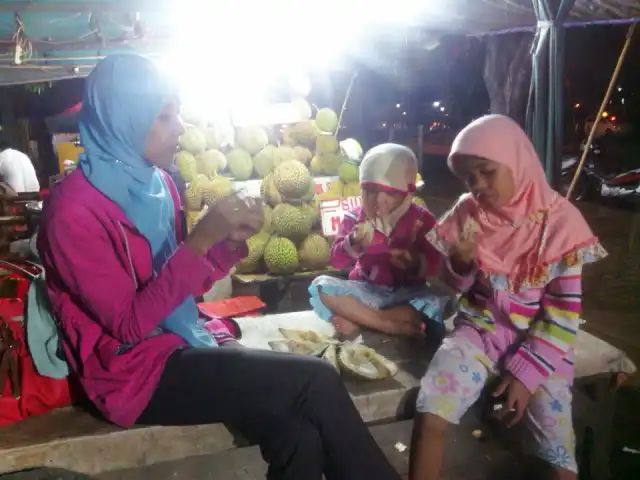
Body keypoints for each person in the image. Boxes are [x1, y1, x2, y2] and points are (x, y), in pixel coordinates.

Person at [36, 54, 401, 480]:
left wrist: (227, 244)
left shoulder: (160, 184)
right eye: (165, 116)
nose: (180, 128)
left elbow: (182, 293)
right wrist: (201, 239)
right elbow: (129, 324)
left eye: (178, 113)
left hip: (186, 339)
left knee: (299, 435)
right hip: (131, 373)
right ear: (125, 119)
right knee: (315, 381)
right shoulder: (71, 214)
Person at [409, 115, 607, 480]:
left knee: (559, 455)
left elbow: (562, 317)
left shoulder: (561, 224)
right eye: (470, 178)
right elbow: (460, 288)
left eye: (487, 171)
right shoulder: (469, 212)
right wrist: (459, 263)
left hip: (542, 346)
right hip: (480, 331)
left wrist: (526, 375)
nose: (478, 185)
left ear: (517, 160)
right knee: (432, 407)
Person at [309, 143, 451, 339]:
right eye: (370, 190)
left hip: (407, 294)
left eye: (390, 193)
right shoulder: (354, 218)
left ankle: (362, 319)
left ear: (407, 193)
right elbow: (336, 260)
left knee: (438, 302)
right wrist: (353, 243)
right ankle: (386, 324)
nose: (378, 200)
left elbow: (437, 266)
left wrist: (415, 262)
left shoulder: (422, 220)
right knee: (321, 285)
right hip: (365, 289)